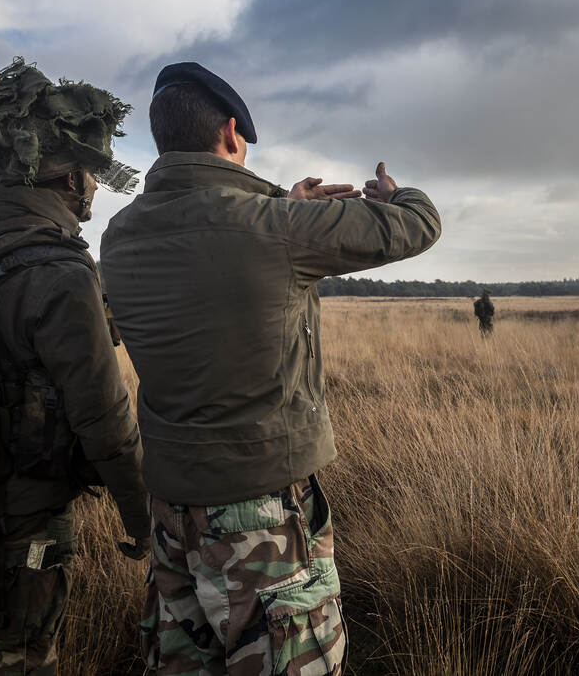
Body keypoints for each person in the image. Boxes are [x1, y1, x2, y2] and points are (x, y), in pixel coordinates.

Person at [100, 61, 442, 676]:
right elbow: (418, 226)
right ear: (231, 133)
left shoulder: (120, 235)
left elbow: (211, 256)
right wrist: (396, 195)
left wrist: (281, 205)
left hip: (171, 511)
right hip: (260, 513)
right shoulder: (276, 228)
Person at [0, 59, 151, 675]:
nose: (96, 185)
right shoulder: (57, 271)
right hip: (23, 517)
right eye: (91, 170)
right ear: (69, 176)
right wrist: (142, 516)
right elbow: (105, 418)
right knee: (17, 659)